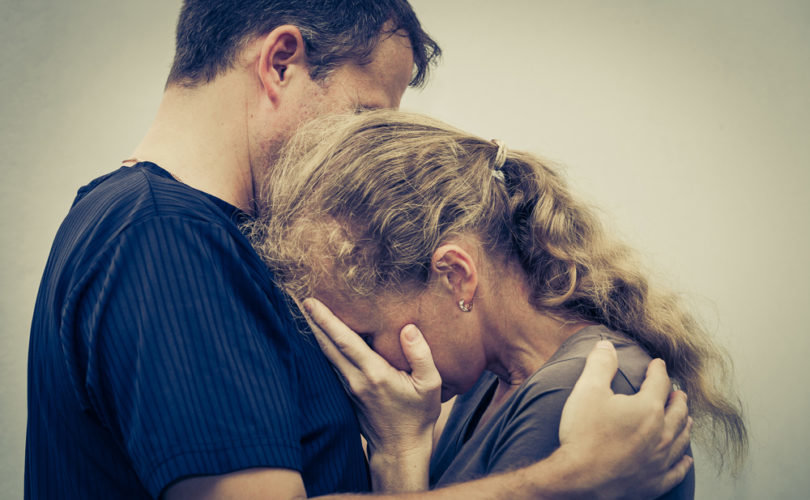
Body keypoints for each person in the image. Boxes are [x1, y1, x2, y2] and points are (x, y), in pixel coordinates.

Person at [26, 1, 691, 499]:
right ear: (280, 62)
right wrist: (570, 478)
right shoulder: (166, 239)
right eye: (365, 115)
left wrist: (401, 451)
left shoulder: (199, 238)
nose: (362, 149)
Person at [251, 110, 749, 495]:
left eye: (366, 336)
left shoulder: (580, 393)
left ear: (456, 276)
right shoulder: (487, 380)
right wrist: (401, 447)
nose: (364, 365)